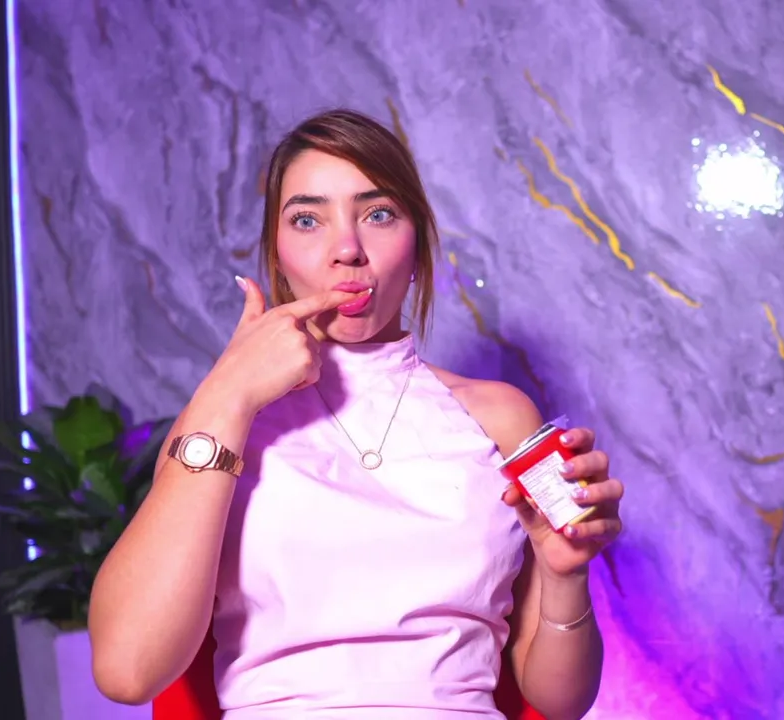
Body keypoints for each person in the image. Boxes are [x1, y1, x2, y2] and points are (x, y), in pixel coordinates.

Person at [88, 108, 625, 719]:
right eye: (308, 219)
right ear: (277, 255)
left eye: (377, 214)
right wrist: (229, 392)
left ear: (417, 244)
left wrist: (564, 575)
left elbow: (560, 702)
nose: (347, 249)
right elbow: (127, 671)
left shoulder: (501, 417)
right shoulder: (222, 419)